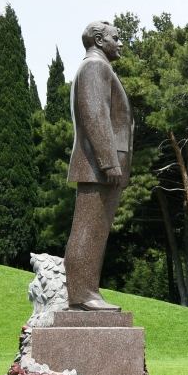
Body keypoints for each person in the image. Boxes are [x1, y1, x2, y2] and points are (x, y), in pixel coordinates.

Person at [63, 21, 133, 311]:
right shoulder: (95, 67)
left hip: (99, 166)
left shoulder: (97, 67)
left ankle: (87, 291)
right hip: (97, 166)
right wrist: (109, 162)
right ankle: (82, 294)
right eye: (116, 38)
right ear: (99, 40)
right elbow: (95, 115)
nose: (121, 43)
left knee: (95, 230)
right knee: (88, 230)